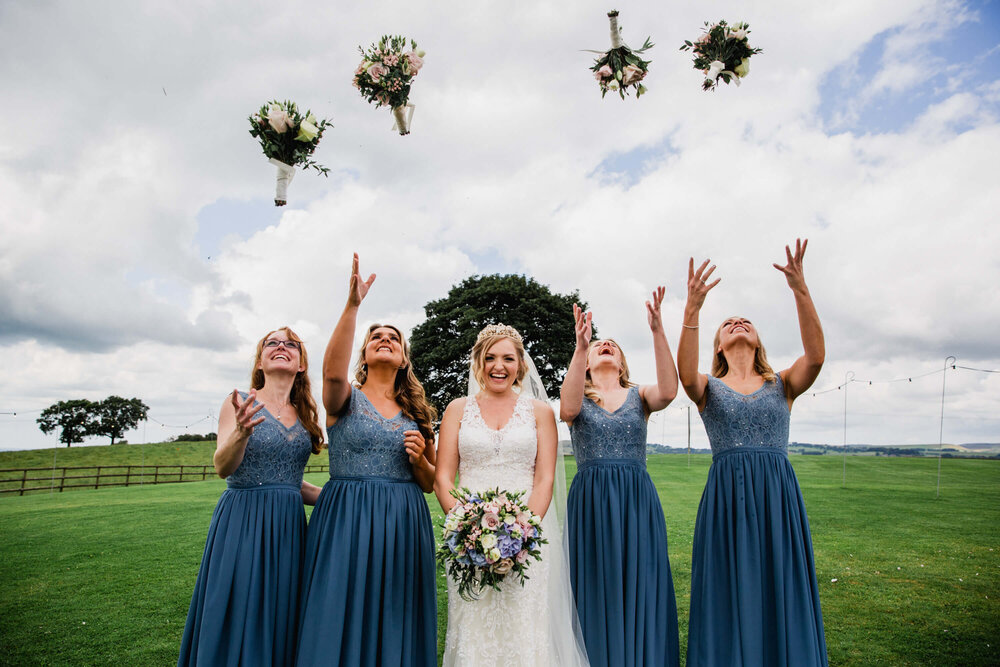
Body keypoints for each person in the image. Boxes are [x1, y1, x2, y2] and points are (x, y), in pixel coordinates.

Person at [679, 240, 828, 666]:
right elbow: (684, 374)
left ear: (758, 339)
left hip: (777, 497)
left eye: (745, 320)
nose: (738, 322)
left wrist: (800, 289)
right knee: (728, 586)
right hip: (727, 497)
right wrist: (693, 309)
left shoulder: (782, 383)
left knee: (780, 581)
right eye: (728, 323)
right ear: (719, 345)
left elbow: (816, 357)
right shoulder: (708, 387)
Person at [296, 253, 438, 667]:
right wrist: (354, 305)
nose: (385, 339)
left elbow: (429, 483)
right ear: (363, 354)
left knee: (396, 609)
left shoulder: (419, 414)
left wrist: (419, 463)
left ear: (404, 358)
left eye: (394, 337)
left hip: (403, 519)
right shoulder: (344, 400)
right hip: (345, 516)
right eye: (376, 337)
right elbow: (332, 373)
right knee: (337, 605)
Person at [434, 323, 589, 666]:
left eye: (507, 358)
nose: (498, 366)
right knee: (474, 624)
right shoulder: (457, 409)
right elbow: (443, 477)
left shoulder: (539, 412)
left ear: (520, 363)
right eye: (489, 358)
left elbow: (545, 478)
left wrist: (520, 534)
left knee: (525, 623)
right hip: (469, 539)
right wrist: (467, 530)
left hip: (529, 536)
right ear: (478, 362)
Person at [178, 327, 325, 666]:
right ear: (260, 361)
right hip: (242, 521)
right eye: (271, 343)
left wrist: (338, 497)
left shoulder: (305, 415)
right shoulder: (240, 403)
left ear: (301, 364)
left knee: (280, 607)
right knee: (238, 603)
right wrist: (241, 433)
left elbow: (292, 483)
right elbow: (222, 466)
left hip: (288, 527)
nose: (281, 347)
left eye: (291, 345)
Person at [560, 288, 680, 667]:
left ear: (623, 363)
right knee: (595, 583)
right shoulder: (581, 392)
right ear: (589, 360)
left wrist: (658, 331)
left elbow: (670, 390)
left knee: (641, 579)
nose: (605, 345)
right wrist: (581, 348)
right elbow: (567, 409)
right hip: (591, 498)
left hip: (635, 498)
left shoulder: (639, 395)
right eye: (599, 345)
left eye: (612, 344)